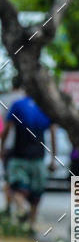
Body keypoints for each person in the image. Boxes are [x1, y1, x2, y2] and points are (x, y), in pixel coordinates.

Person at [0, 75, 56, 230]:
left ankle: (21, 210)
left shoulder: (17, 104)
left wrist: (2, 148)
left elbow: (6, 129)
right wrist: (53, 159)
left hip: (18, 154)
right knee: (36, 194)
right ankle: (31, 223)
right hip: (38, 157)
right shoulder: (45, 107)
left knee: (15, 187)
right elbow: (52, 132)